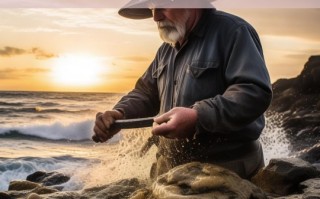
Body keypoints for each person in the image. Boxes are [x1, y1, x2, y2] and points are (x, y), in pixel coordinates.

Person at [93, 0, 272, 180]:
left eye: (162, 5)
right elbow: (146, 93)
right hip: (170, 171)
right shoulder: (165, 50)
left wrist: (197, 117)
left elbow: (253, 92)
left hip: (227, 172)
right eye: (152, 8)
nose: (155, 16)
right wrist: (120, 113)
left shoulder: (234, 31)